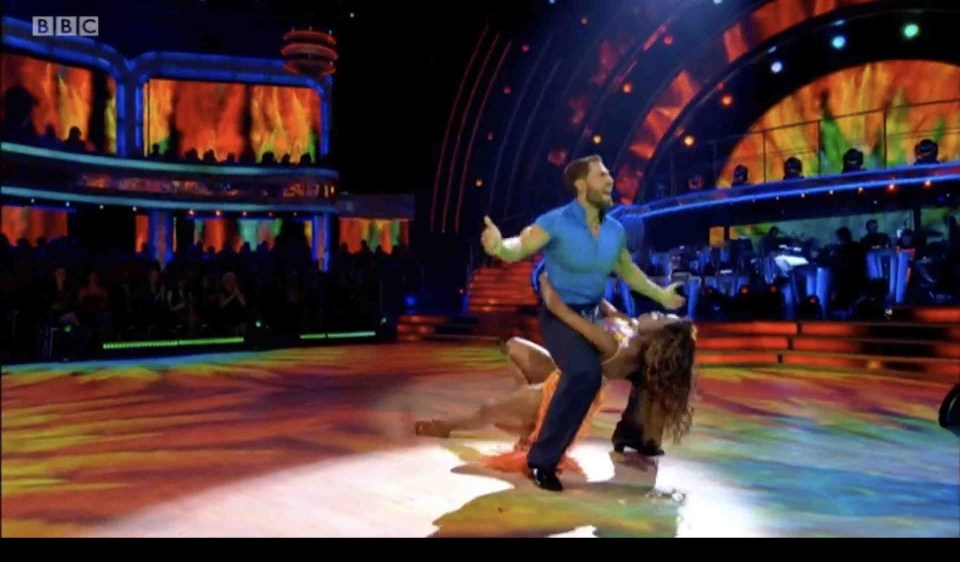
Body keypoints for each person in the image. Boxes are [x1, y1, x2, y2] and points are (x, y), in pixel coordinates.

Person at [481, 154, 685, 491]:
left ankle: (634, 433)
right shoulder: (556, 221)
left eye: (608, 175)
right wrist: (499, 246)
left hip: (594, 313)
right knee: (584, 373)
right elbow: (520, 245)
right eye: (602, 175)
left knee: (650, 361)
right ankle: (542, 460)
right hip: (559, 313)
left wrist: (661, 296)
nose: (610, 181)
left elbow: (628, 271)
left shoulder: (615, 231)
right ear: (581, 185)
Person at [415, 273, 696, 475]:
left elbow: (568, 316)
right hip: (560, 371)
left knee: (487, 411)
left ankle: (448, 426)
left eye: (660, 319)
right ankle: (527, 418)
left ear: (657, 341)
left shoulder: (622, 347)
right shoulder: (630, 327)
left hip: (565, 391)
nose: (655, 314)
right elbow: (604, 307)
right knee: (515, 347)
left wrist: (549, 288)